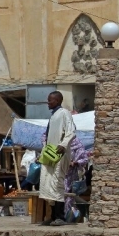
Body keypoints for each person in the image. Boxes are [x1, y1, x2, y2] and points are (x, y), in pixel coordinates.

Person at [39, 91, 76, 226]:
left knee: (57, 184)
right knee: (48, 185)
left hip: (59, 155)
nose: (48, 103)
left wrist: (63, 145)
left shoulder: (64, 113)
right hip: (50, 154)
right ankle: (53, 216)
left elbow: (71, 131)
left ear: (58, 100)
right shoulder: (54, 116)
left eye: (51, 100)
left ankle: (60, 217)